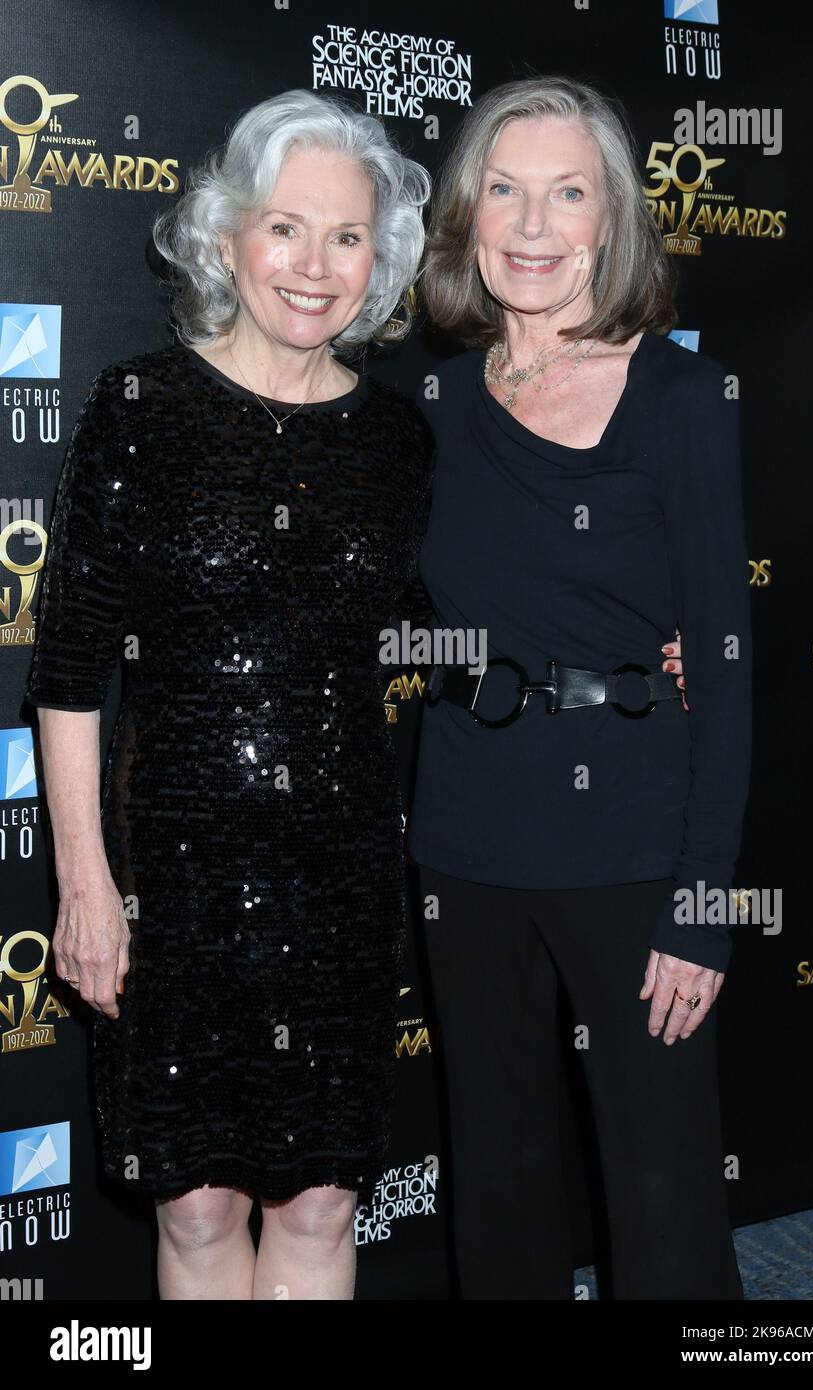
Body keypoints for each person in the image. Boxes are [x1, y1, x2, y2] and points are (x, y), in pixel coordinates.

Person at [24, 89, 433, 1301]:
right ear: (227, 237)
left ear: (382, 260)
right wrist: (87, 882)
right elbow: (68, 665)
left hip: (341, 878)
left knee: (317, 1207)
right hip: (175, 884)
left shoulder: (399, 442)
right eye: (285, 229)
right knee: (196, 1214)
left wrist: (636, 651)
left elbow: (473, 616)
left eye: (347, 237)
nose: (314, 266)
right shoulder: (141, 408)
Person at [407, 75, 752, 1299]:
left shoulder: (680, 400)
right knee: (497, 1181)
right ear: (466, 214)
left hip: (633, 844)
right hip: (464, 837)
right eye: (505, 189)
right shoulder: (434, 407)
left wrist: (703, 901)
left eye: (568, 193)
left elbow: (721, 660)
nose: (534, 224)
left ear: (610, 221)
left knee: (660, 1199)